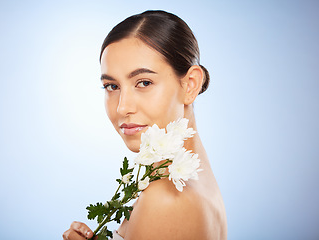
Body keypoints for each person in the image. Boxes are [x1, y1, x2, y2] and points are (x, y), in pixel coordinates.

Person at [63, 10, 227, 240]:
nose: (122, 107)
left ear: (190, 84)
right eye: (112, 86)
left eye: (144, 82)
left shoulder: (166, 198)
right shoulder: (192, 180)